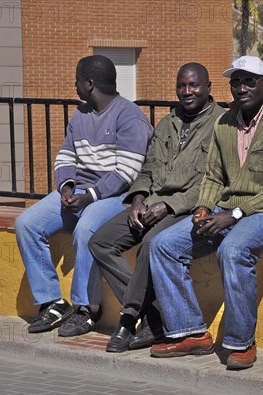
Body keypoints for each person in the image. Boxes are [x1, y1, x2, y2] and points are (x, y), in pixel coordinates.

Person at [148, 56, 263, 370]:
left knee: (234, 250)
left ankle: (241, 342)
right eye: (236, 81)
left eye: (249, 81)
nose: (242, 87)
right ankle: (190, 331)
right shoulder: (224, 122)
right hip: (226, 209)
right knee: (163, 245)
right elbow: (212, 176)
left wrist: (233, 214)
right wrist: (204, 207)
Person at [89, 63, 225, 353]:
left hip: (187, 209)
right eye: (182, 86)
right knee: (100, 242)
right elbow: (148, 168)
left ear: (208, 87)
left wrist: (169, 205)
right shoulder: (168, 122)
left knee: (151, 244)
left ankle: (127, 320)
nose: (187, 92)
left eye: (194, 85)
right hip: (151, 203)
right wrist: (138, 198)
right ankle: (151, 315)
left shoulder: (222, 125)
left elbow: (211, 182)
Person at [15, 55, 153, 337]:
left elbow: (126, 173)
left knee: (87, 228)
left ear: (89, 83)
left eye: (77, 79)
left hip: (116, 195)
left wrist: (89, 196)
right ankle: (53, 302)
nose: (74, 84)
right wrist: (66, 186)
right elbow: (67, 154)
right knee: (27, 223)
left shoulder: (130, 117)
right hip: (80, 191)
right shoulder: (81, 113)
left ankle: (86, 308)